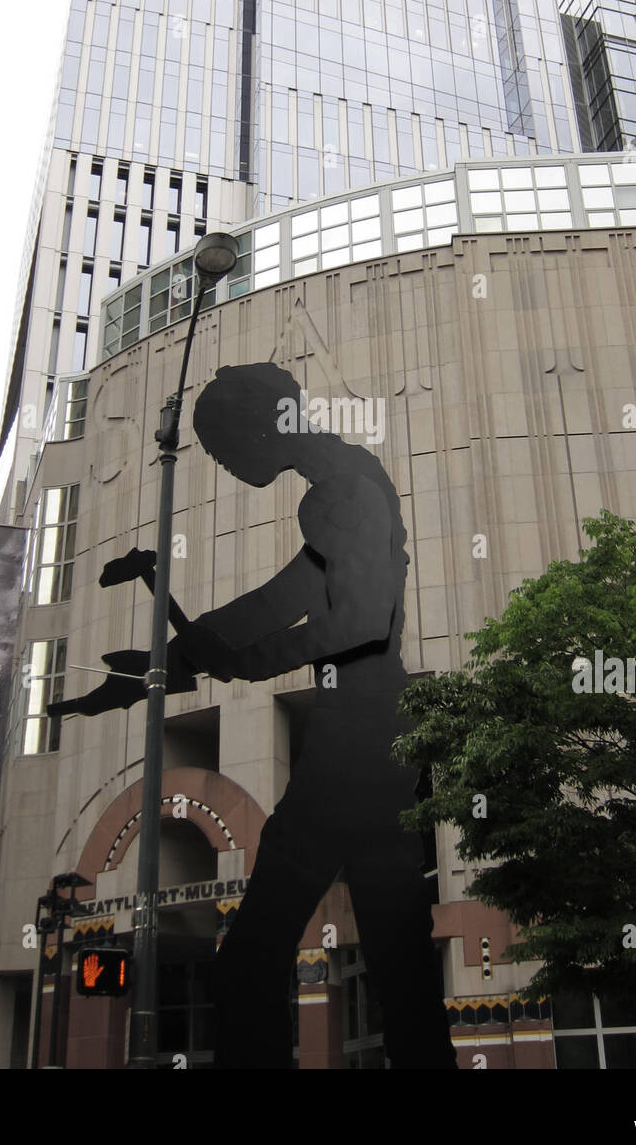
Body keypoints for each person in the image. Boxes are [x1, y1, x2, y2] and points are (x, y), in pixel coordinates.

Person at [53, 363, 456, 1069]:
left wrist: (249, 658)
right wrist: (178, 652)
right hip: (373, 733)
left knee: (249, 959)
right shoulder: (344, 478)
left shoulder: (342, 490)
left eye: (224, 446)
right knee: (396, 954)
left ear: (264, 425)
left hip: (354, 740)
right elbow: (282, 596)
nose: (228, 464)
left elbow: (359, 621)